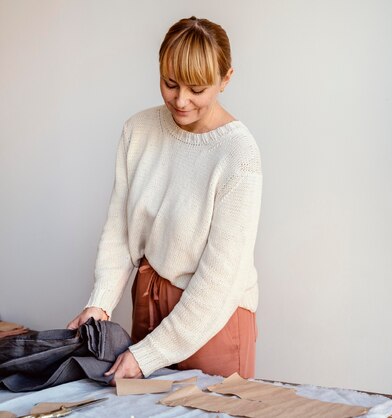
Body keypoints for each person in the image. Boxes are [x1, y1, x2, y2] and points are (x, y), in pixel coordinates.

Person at [67, 16, 262, 384]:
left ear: (226, 78)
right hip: (149, 303)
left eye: (197, 89)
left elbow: (219, 281)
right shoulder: (138, 130)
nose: (181, 100)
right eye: (170, 83)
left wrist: (150, 354)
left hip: (212, 318)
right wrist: (101, 302)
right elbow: (120, 229)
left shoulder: (238, 155)